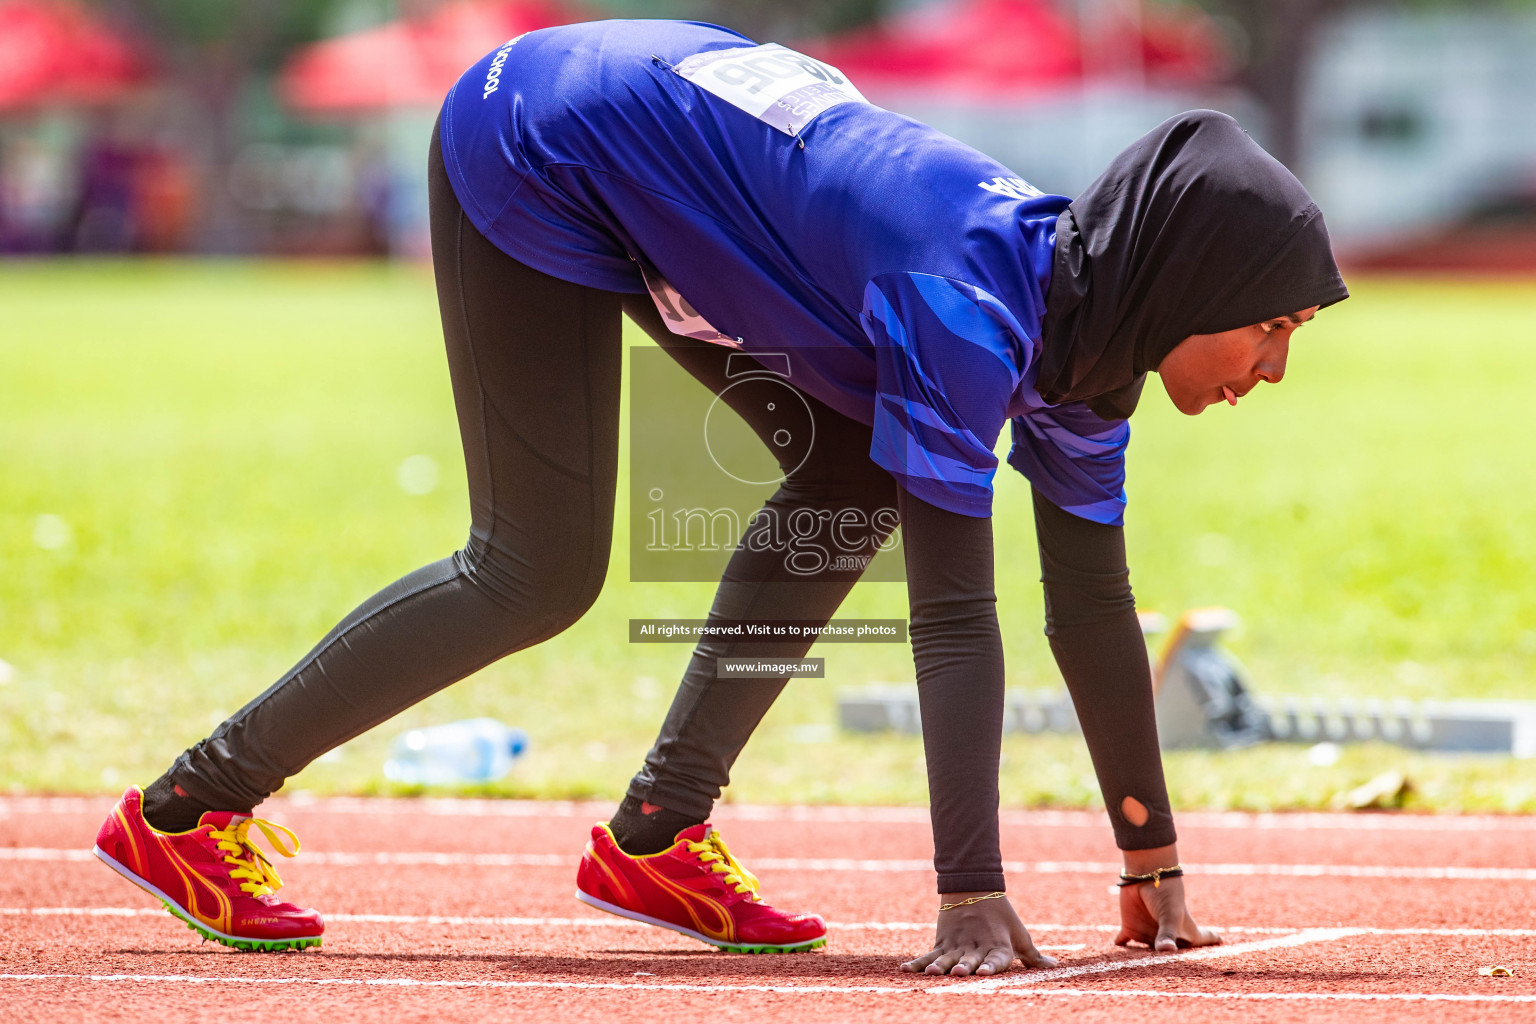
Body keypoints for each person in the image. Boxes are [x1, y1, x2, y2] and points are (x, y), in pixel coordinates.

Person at [93, 19, 1347, 972]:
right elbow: (959, 618)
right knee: (536, 567)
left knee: (856, 470)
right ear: (1184, 285)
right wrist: (969, 893)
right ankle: (188, 807)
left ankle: (655, 836)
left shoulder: (1087, 348)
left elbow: (1089, 607)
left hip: (671, 143)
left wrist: (1151, 860)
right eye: (1272, 327)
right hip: (539, 135)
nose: (1276, 369)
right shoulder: (967, 303)